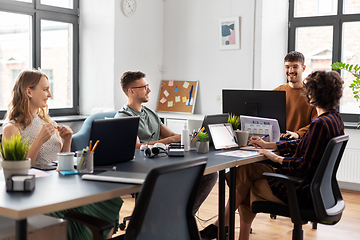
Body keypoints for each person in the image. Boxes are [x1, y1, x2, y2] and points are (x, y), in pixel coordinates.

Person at [201, 70, 344, 240]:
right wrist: (270, 145)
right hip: (319, 190)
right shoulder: (334, 120)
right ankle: (228, 229)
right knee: (248, 169)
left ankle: (222, 227)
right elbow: (304, 144)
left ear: (312, 97)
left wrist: (274, 157)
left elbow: (302, 165)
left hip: (301, 191)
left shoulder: (320, 124)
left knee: (245, 185)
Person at [2, 70, 123, 240]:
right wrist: (38, 141)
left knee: (107, 198)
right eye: (45, 89)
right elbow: (16, 173)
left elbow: (61, 161)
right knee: (82, 206)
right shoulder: (11, 128)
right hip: (37, 192)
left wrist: (67, 140)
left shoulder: (47, 121)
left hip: (60, 184)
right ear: (28, 91)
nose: (49, 94)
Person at [115, 71, 217, 214]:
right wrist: (169, 141)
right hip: (144, 167)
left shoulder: (149, 112)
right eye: (144, 87)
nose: (149, 90)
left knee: (210, 174)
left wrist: (189, 138)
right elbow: (137, 148)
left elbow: (170, 134)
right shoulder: (124, 117)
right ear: (131, 91)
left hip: (162, 161)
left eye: (147, 86)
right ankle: (178, 216)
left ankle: (183, 215)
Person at [273, 51, 318, 139]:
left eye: (295, 67)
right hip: (276, 142)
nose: (291, 71)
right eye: (287, 67)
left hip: (299, 143)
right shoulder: (276, 92)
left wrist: (297, 134)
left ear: (303, 68)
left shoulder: (312, 94)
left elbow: (317, 124)